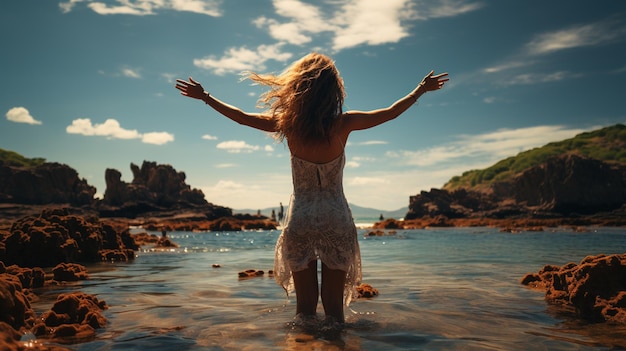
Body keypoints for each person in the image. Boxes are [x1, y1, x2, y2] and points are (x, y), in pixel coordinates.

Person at [175, 53, 448, 324]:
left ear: (298, 88)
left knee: (304, 311)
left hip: (300, 219)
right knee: (334, 314)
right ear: (334, 90)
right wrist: (420, 90)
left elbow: (242, 118)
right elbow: (389, 114)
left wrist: (206, 97)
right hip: (335, 217)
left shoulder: (288, 125)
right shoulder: (344, 123)